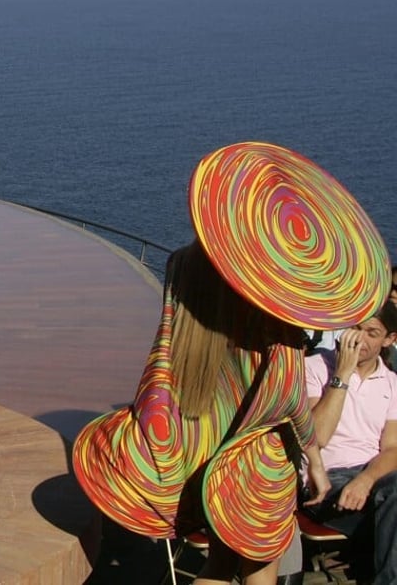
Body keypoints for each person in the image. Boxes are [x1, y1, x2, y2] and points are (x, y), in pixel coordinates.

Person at [72, 142, 391, 585]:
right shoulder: (272, 300)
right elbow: (286, 397)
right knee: (258, 566)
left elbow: (164, 353)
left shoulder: (183, 267)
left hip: (199, 441)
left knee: (220, 564)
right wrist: (313, 457)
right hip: (257, 455)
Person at [304, 300, 397, 583]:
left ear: (389, 340)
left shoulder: (392, 383)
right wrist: (342, 374)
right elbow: (316, 437)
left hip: (376, 480)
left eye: (371, 333)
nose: (359, 339)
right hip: (326, 482)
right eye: (355, 328)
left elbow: (392, 448)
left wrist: (367, 478)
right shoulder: (316, 368)